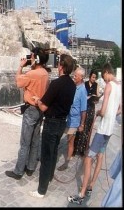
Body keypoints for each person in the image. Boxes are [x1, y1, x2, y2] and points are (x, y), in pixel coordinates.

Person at [68, 63, 122, 205]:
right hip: (109, 131)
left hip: (103, 129)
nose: (103, 79)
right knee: (100, 155)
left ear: (106, 72)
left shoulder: (110, 85)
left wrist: (100, 113)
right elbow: (120, 109)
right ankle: (91, 185)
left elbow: (103, 111)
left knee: (88, 158)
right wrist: (111, 114)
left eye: (103, 76)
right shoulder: (119, 86)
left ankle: (81, 193)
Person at [29, 53, 76, 199]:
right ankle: (49, 177)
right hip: (62, 122)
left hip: (52, 123)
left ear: (61, 66)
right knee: (54, 151)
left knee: (46, 156)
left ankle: (41, 190)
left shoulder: (56, 84)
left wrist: (37, 100)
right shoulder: (72, 85)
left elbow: (43, 107)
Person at [5, 47, 50, 180]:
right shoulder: (45, 73)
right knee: (35, 140)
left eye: (32, 57)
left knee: (25, 142)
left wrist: (20, 67)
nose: (30, 59)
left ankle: (18, 171)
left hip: (31, 109)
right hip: (40, 109)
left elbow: (18, 82)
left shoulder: (32, 74)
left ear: (36, 59)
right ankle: (30, 168)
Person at [57, 66, 87, 171]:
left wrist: (82, 124)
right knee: (59, 137)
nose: (74, 77)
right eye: (74, 75)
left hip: (74, 120)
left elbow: (83, 109)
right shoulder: (73, 86)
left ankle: (67, 161)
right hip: (66, 117)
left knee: (70, 141)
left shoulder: (82, 90)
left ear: (82, 77)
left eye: (76, 76)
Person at [73, 69, 101, 157]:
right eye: (93, 77)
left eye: (95, 78)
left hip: (91, 108)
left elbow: (97, 96)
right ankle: (75, 148)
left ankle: (83, 149)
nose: (94, 79)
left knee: (87, 129)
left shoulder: (96, 85)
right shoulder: (84, 84)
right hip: (84, 107)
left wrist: (95, 98)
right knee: (80, 127)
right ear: (89, 76)